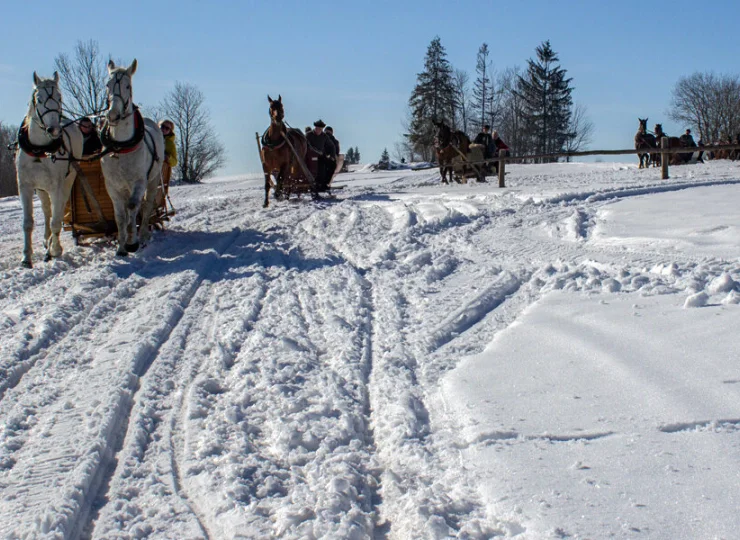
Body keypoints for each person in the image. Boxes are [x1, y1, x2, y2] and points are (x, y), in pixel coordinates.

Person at [305, 119, 336, 191]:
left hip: (320, 156)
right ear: (315, 128)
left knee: (332, 165)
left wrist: (332, 156)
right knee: (319, 168)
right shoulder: (308, 135)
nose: (318, 130)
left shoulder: (324, 136)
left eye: (320, 129)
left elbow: (332, 146)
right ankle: (317, 184)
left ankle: (325, 184)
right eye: (317, 128)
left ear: (322, 129)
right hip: (309, 157)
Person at [158, 120, 177, 210]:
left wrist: (168, 158)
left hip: (159, 172)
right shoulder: (150, 138)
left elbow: (174, 162)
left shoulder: (169, 144)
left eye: (167, 128)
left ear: (170, 131)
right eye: (162, 126)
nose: (164, 129)